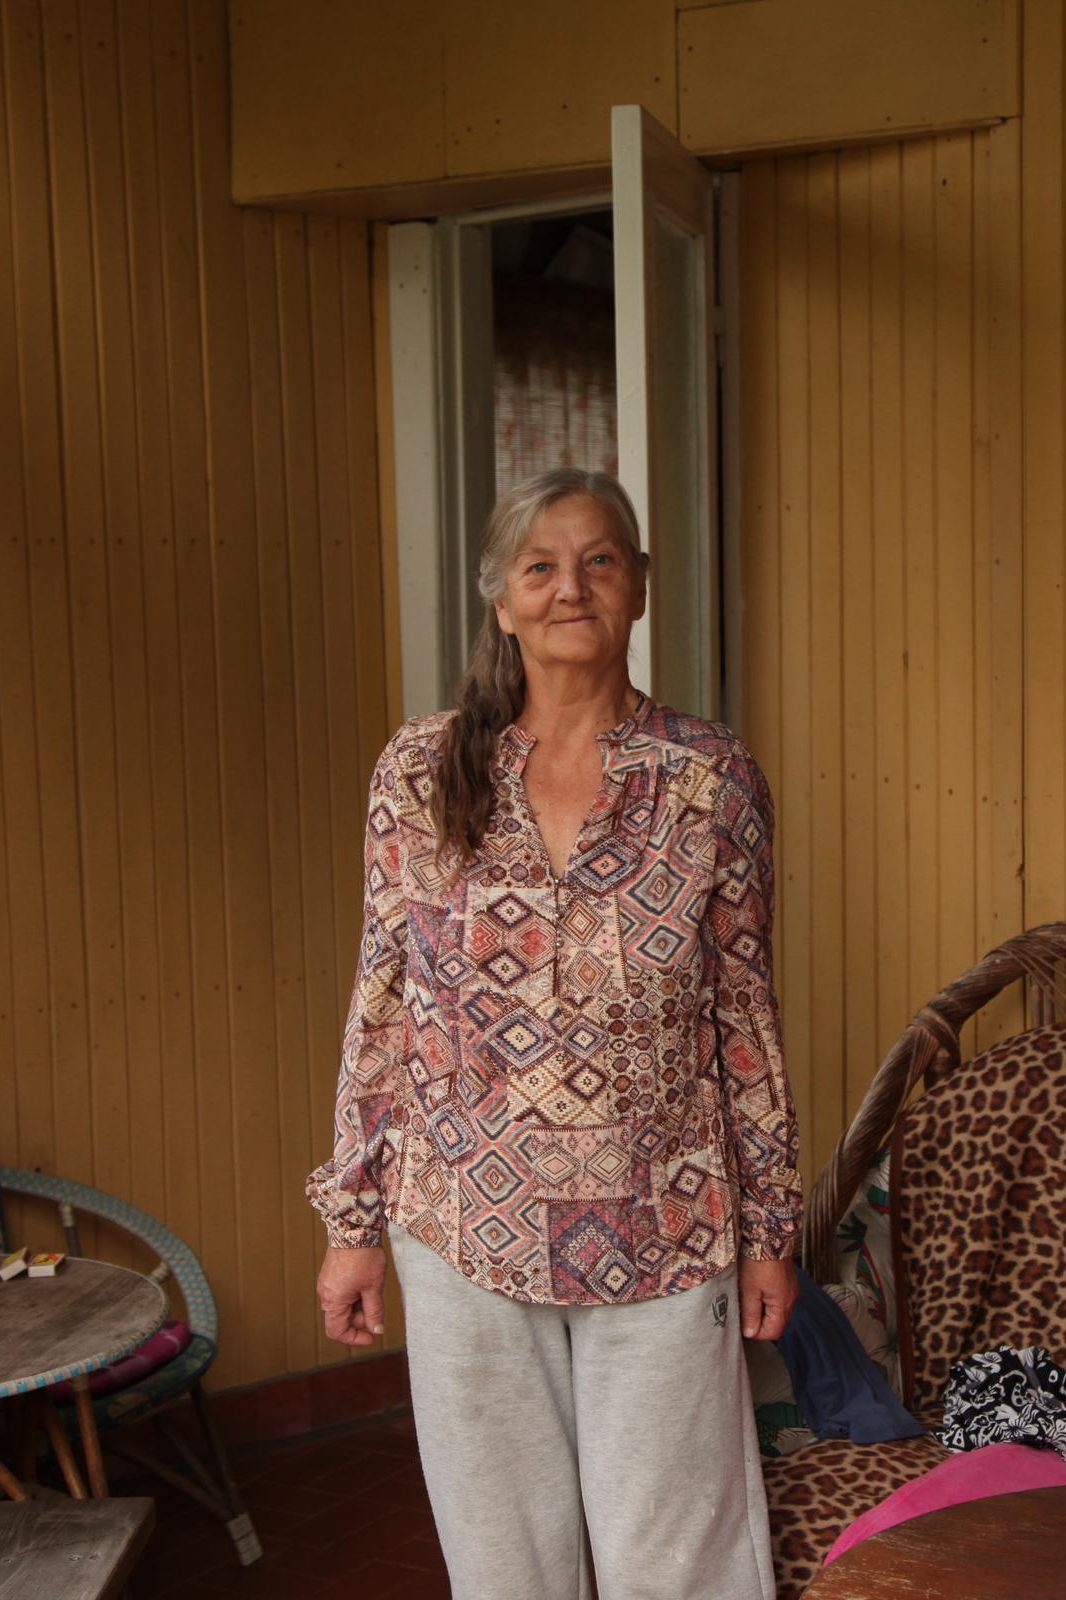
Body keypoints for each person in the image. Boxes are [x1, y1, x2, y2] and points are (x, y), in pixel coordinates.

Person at [309, 466, 800, 1600]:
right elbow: (380, 1002)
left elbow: (746, 1017)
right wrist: (353, 1217)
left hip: (665, 1218)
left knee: (679, 1561)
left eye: (599, 561)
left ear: (636, 589)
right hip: (461, 1219)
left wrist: (772, 1222)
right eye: (541, 565)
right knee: (503, 1565)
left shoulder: (711, 779)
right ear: (501, 599)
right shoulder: (420, 773)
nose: (570, 586)